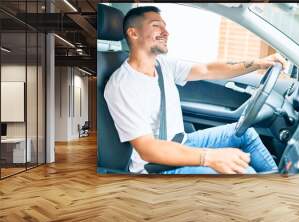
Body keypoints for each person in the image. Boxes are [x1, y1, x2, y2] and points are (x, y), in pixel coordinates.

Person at [104, 6, 288, 174]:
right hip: (155, 167)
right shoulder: (122, 85)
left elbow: (208, 70)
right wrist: (209, 158)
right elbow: (148, 149)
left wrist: (257, 63)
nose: (166, 32)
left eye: (165, 27)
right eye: (156, 26)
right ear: (133, 33)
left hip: (182, 142)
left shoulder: (162, 65)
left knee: (244, 133)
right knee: (240, 173)